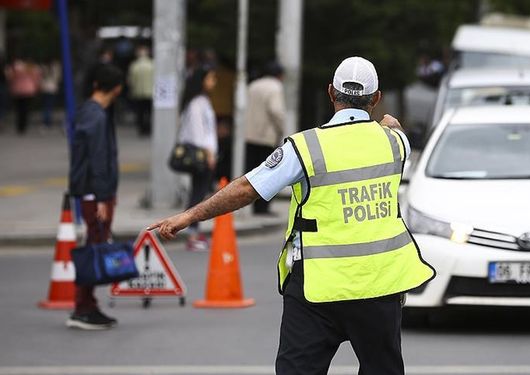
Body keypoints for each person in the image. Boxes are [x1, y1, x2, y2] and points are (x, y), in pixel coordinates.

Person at [149, 56, 435, 374]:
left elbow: (247, 188)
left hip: (317, 288)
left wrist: (189, 216)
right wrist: (387, 123)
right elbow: (392, 126)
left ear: (331, 93)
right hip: (381, 285)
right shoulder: (395, 143)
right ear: (376, 97)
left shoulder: (305, 147)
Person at [67, 64, 124, 330]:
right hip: (95, 194)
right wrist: (103, 197)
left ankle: (87, 305)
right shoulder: (97, 116)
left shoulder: (87, 111)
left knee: (94, 245)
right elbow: (98, 160)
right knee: (94, 248)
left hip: (92, 192)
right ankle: (83, 307)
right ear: (117, 88)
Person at [176, 65, 218, 252]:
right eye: (210, 78)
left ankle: (194, 230)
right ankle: (192, 232)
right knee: (198, 193)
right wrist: (209, 154)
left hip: (205, 153)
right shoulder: (196, 103)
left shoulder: (202, 101)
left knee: (199, 191)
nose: (213, 82)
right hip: (201, 155)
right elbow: (198, 132)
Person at [244, 61, 285, 215]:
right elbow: (276, 110)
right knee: (268, 173)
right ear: (279, 75)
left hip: (250, 135)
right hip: (266, 136)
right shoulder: (275, 87)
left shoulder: (253, 85)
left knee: (253, 172)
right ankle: (263, 208)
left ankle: (254, 206)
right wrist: (281, 128)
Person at [6, 56, 41, 135]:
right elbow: (37, 78)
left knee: (19, 109)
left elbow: (10, 77)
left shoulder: (15, 67)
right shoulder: (32, 68)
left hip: (17, 90)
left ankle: (20, 126)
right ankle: (23, 126)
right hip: (28, 90)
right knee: (25, 109)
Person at [127, 46, 154, 136]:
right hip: (150, 92)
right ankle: (149, 128)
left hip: (138, 92)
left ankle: (142, 128)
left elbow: (131, 80)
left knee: (140, 112)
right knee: (149, 112)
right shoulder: (152, 65)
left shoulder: (134, 65)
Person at [40, 58, 61, 129]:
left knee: (45, 105)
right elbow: (58, 77)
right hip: (52, 88)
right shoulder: (55, 68)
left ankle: (46, 121)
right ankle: (48, 121)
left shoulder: (43, 68)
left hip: (45, 88)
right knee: (50, 106)